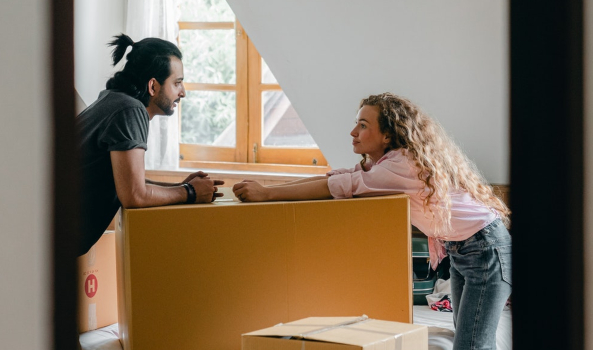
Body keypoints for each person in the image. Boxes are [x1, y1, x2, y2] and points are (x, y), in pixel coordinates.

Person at [233, 92, 511, 350]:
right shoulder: (386, 164)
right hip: (467, 248)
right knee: (473, 341)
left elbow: (339, 186)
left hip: (484, 249)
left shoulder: (400, 166)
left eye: (363, 125)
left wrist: (268, 194)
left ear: (388, 135)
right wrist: (268, 191)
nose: (353, 132)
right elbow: (333, 178)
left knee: (473, 345)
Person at [77, 33, 223, 256]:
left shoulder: (113, 100)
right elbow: (134, 195)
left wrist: (177, 187)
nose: (182, 92)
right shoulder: (129, 110)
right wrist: (190, 192)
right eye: (177, 83)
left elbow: (127, 182)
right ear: (153, 86)